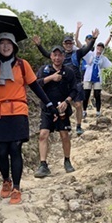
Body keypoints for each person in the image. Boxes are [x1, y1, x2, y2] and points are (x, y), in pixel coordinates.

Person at [0, 32, 59, 204]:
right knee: (1, 151)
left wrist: (49, 104)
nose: (6, 46)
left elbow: (35, 86)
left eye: (9, 43)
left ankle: (16, 187)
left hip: (18, 112)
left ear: (14, 46)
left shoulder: (22, 65)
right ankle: (5, 180)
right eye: (2, 43)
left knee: (15, 148)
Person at [32, 24, 98, 136]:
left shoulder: (77, 53)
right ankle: (61, 124)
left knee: (78, 105)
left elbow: (86, 49)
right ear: (63, 44)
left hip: (75, 82)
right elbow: (46, 54)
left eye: (70, 43)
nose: (68, 45)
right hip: (62, 84)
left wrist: (94, 39)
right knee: (62, 104)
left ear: (73, 44)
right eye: (66, 43)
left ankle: (78, 125)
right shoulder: (58, 56)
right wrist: (39, 45)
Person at [33, 45, 79, 178]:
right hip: (47, 108)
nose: (57, 58)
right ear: (51, 56)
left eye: (60, 55)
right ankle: (43, 164)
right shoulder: (44, 70)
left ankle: (67, 160)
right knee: (43, 134)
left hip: (62, 109)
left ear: (63, 57)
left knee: (64, 135)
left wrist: (67, 101)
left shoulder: (69, 72)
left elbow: (75, 90)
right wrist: (51, 77)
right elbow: (36, 84)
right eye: (55, 55)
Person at [82, 36, 112, 118]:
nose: (99, 49)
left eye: (101, 48)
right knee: (86, 95)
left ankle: (98, 112)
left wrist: (110, 37)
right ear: (96, 47)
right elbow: (82, 51)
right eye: (98, 47)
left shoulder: (103, 59)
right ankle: (84, 111)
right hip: (88, 77)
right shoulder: (90, 54)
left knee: (97, 95)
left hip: (98, 79)